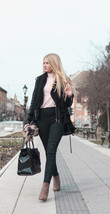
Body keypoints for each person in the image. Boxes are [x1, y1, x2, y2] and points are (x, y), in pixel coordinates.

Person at [25, 53, 76, 201]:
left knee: (52, 151)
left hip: (57, 119)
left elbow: (66, 105)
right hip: (42, 118)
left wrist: (69, 95)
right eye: (43, 63)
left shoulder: (63, 80)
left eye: (47, 63)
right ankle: (56, 177)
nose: (45, 65)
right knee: (48, 152)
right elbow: (34, 101)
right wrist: (29, 121)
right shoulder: (40, 80)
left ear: (54, 63)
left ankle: (45, 186)